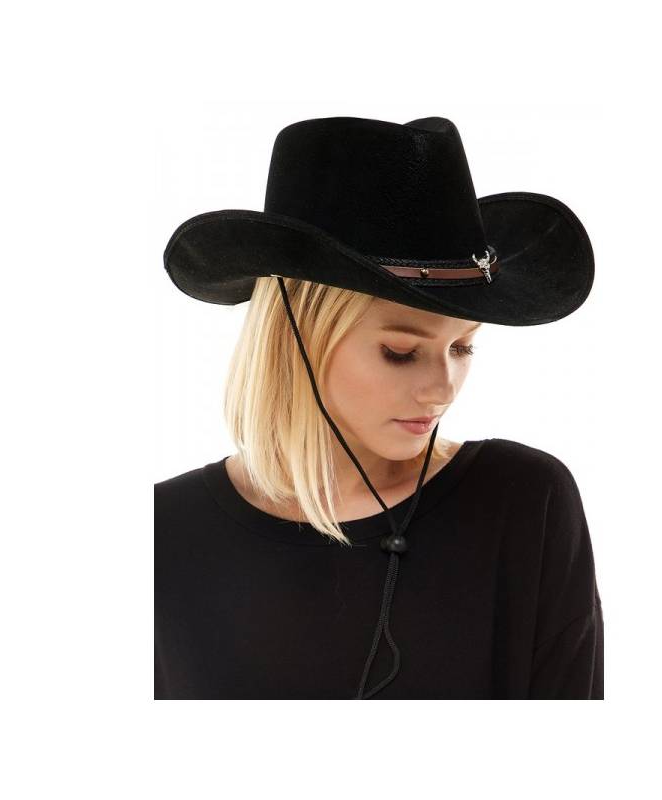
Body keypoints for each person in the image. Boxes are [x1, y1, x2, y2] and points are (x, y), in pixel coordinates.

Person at [155, 115, 603, 699]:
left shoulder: (522, 501)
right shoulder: (161, 533)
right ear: (296, 335)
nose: (442, 389)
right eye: (400, 352)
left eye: (462, 347)